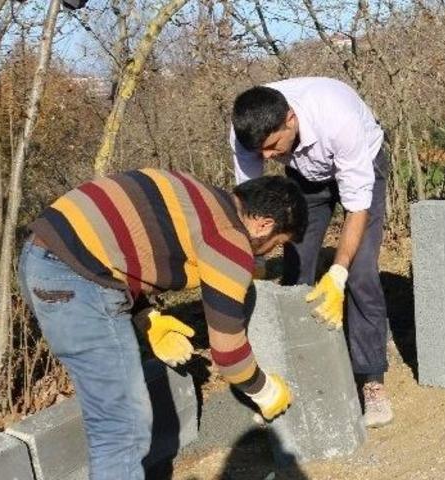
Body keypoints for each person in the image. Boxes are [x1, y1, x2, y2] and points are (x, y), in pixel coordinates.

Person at [18, 169, 307, 479]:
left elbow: (121, 244)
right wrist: (264, 391)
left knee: (114, 418)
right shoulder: (228, 238)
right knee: (121, 427)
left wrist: (146, 315)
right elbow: (228, 356)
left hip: (41, 253)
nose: (268, 252)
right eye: (277, 243)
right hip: (74, 277)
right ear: (265, 225)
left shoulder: (198, 197)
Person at [230, 77, 393, 427]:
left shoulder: (337, 119)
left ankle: (372, 381)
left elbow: (357, 208)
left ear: (290, 119)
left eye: (273, 147)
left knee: (360, 272)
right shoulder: (248, 133)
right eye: (261, 153)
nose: (268, 157)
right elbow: (250, 202)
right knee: (296, 269)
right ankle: (297, 374)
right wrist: (252, 255)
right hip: (304, 177)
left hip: (362, 161)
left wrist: (337, 273)